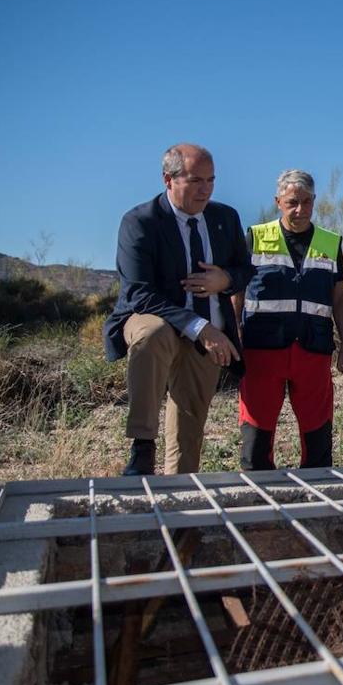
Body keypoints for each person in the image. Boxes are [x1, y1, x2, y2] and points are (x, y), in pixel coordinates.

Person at [104, 143, 251, 476]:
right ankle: (142, 445)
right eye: (196, 180)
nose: (206, 189)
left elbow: (245, 269)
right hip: (157, 320)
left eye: (211, 180)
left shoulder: (225, 218)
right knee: (153, 334)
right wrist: (201, 327)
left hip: (207, 337)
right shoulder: (140, 221)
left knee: (188, 432)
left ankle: (178, 507)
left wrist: (224, 278)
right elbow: (139, 293)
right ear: (168, 179)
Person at [235, 170, 343, 470]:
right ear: (278, 202)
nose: (299, 210)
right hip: (262, 350)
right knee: (257, 429)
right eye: (292, 202)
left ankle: (318, 494)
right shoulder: (256, 237)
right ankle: (257, 496)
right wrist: (232, 332)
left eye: (306, 202)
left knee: (317, 429)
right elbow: (236, 292)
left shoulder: (329, 242)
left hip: (313, 349)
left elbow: (339, 299)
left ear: (314, 201)